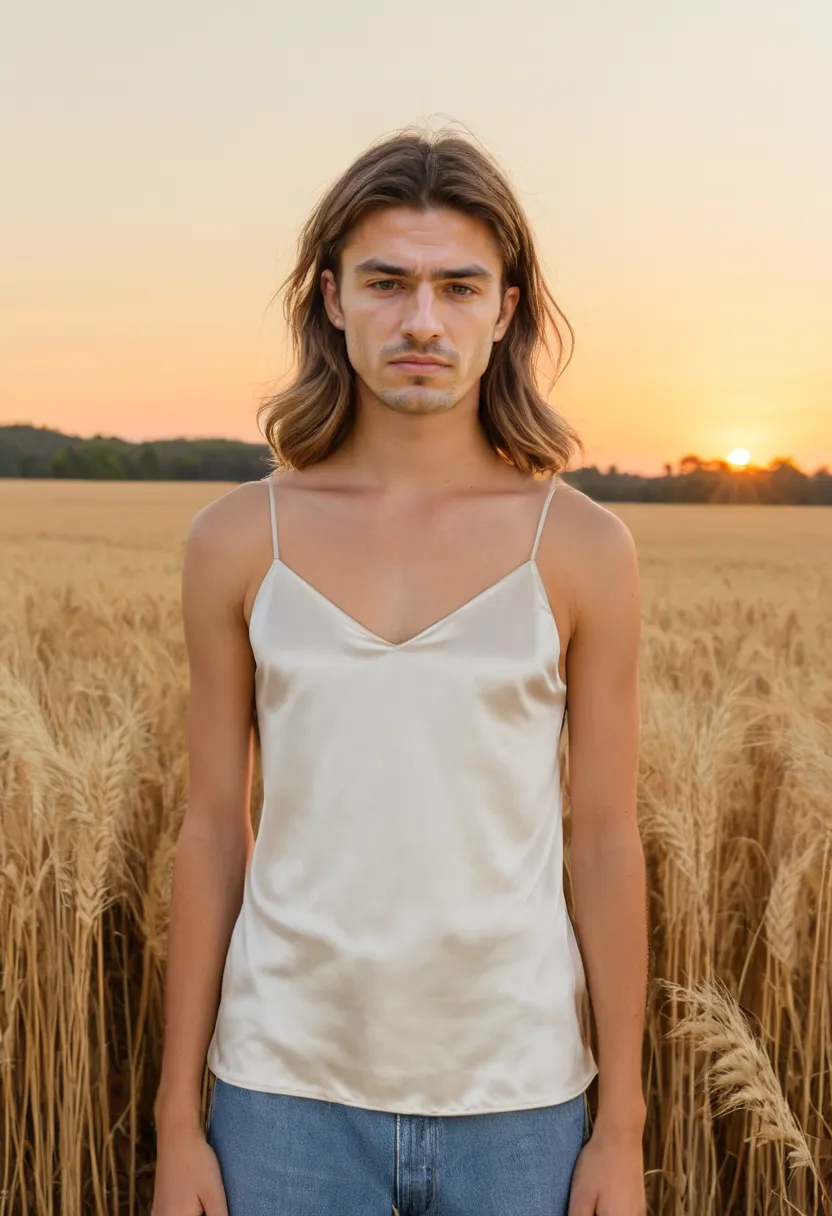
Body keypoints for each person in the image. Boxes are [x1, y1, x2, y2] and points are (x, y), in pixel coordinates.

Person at [151, 126, 648, 1216]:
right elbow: (213, 830)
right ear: (332, 299)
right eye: (387, 283)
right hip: (280, 1096)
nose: (423, 320)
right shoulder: (236, 540)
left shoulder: (583, 549)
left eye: (458, 287)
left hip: (521, 1103)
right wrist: (177, 1123)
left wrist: (621, 1129)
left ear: (505, 310)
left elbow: (606, 839)